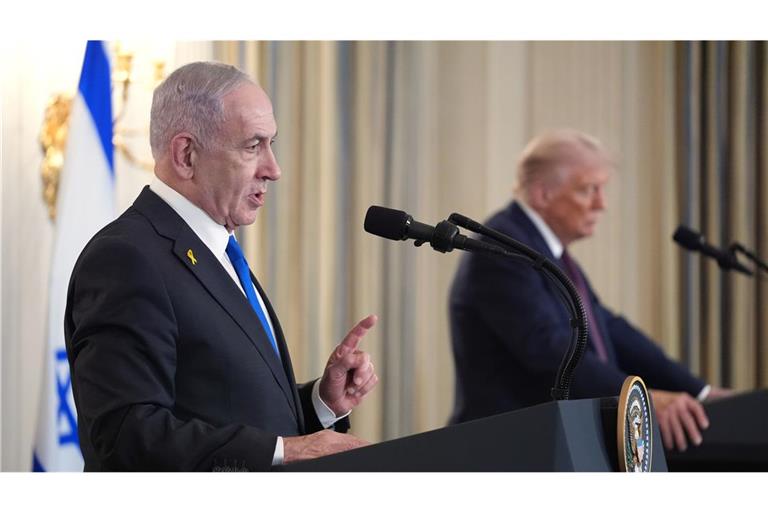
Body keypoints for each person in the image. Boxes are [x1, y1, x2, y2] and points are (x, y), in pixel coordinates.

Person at [64, 61, 378, 471]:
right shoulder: (127, 258)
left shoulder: (216, 249)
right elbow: (126, 434)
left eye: (272, 144)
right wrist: (286, 450)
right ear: (186, 154)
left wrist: (321, 403)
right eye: (253, 146)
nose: (274, 169)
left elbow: (233, 411)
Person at [448, 129, 731, 452]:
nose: (602, 204)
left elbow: (606, 327)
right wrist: (641, 400)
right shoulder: (502, 251)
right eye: (588, 190)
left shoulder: (545, 251)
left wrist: (701, 391)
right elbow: (551, 350)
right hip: (508, 452)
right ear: (543, 194)